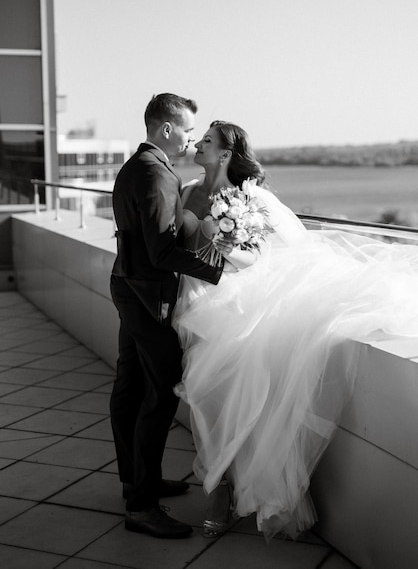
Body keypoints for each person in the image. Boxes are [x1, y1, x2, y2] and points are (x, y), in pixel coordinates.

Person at [172, 120, 418, 541]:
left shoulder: (252, 198)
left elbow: (262, 257)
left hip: (231, 297)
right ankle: (220, 483)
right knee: (201, 393)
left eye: (207, 141)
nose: (197, 144)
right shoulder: (187, 189)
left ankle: (218, 488)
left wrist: (227, 249)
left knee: (216, 388)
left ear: (227, 153)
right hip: (190, 295)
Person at [109, 94, 224, 539]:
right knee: (160, 392)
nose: (192, 138)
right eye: (189, 130)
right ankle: (141, 506)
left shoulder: (138, 165)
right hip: (145, 295)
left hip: (129, 286)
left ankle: (138, 481)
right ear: (168, 129)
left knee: (130, 386)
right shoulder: (157, 175)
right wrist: (217, 269)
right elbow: (162, 252)